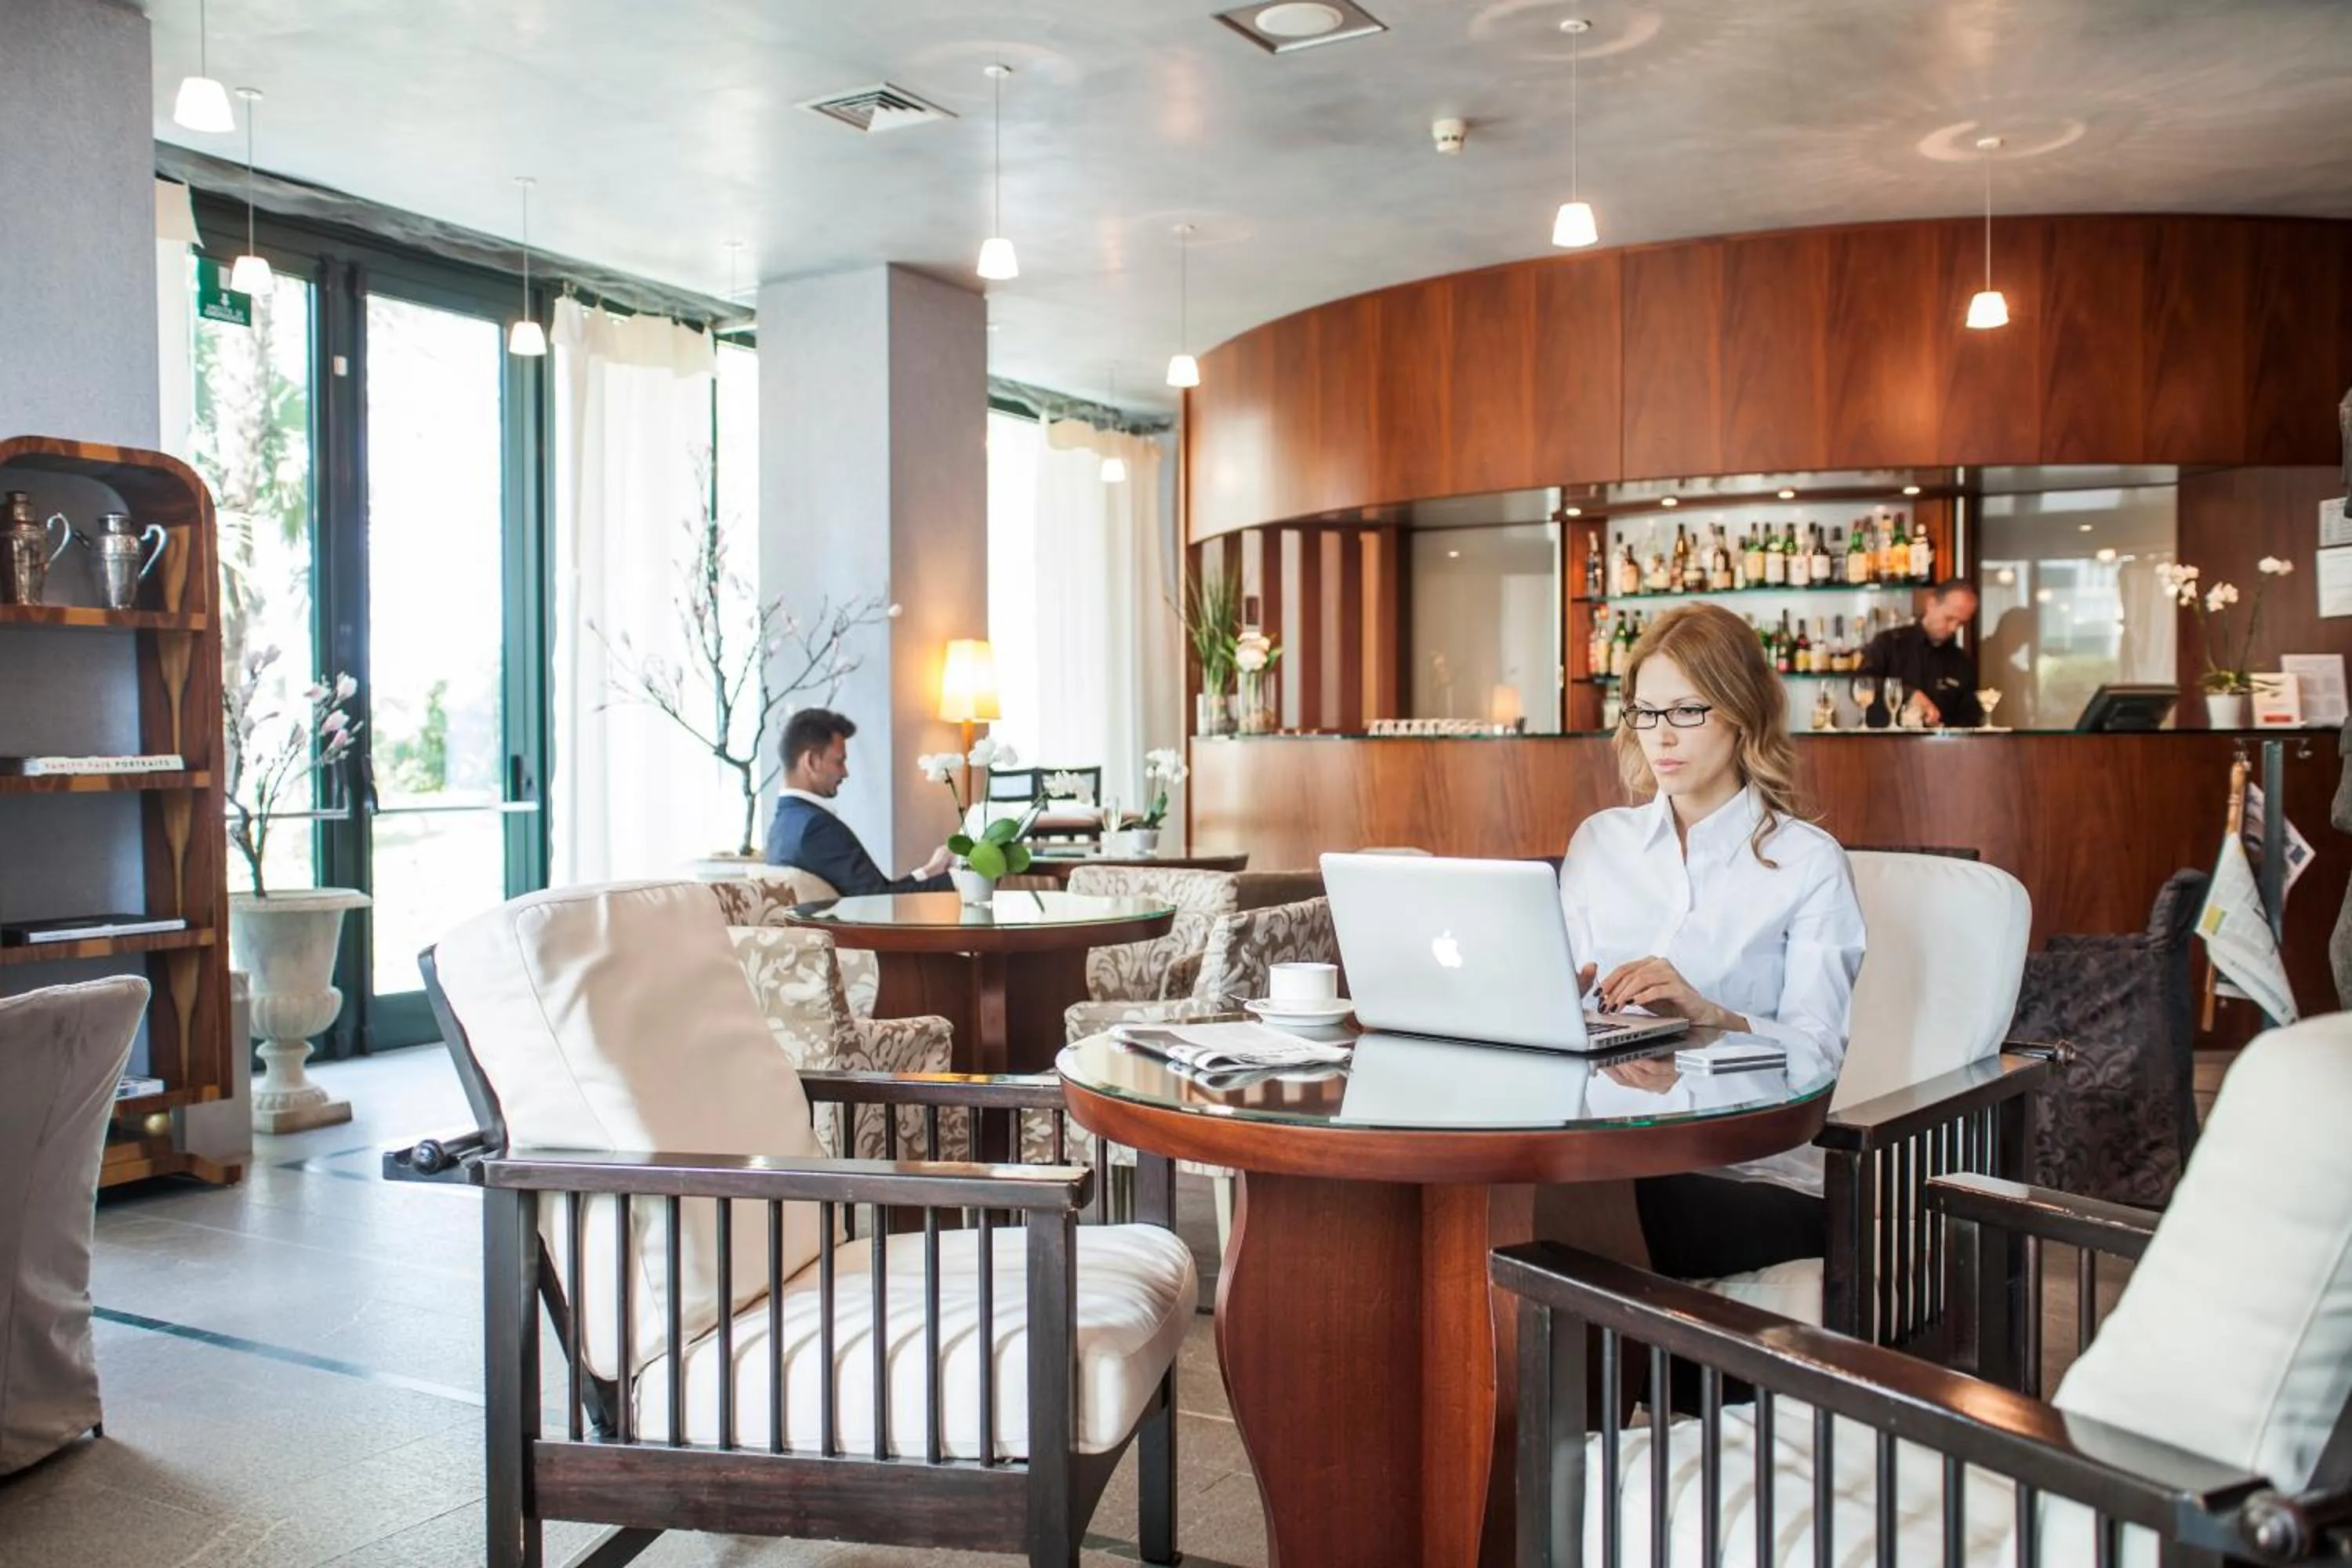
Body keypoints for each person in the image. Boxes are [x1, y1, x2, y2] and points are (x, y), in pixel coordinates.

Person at [1556, 601, 1867, 1300]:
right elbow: (1564, 1001)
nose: (1661, 736)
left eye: (1688, 711)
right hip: (1607, 1149)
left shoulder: (1807, 863)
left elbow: (1817, 1056)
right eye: (1645, 711)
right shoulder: (1601, 843)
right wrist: (1556, 1001)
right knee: (1530, 1185)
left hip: (1750, 1174)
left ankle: (1582, 1395)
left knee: (1570, 1198)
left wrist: (1709, 1014)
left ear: (1742, 713)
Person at [764, 708, 954, 895]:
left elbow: (877, 893)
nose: (845, 773)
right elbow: (879, 902)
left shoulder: (781, 828)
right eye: (839, 762)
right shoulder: (817, 828)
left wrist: (929, 871)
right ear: (812, 761)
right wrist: (959, 879)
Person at [1860, 579, 1982, 728]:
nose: (1953, 628)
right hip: (1884, 745)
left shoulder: (1962, 662)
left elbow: (1969, 720)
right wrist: (1909, 695)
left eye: (1961, 623)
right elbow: (1861, 685)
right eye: (1949, 618)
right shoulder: (1889, 643)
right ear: (1931, 604)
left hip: (1938, 749)